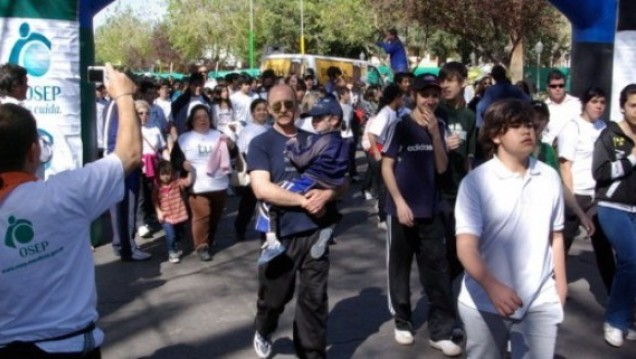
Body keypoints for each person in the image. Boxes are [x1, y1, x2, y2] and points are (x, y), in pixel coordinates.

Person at [0, 64, 140, 358]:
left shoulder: (64, 193)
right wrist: (124, 96)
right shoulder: (65, 194)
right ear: (34, 151)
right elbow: (129, 155)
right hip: (70, 345)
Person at [455, 99, 567, 359]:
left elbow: (557, 236)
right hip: (484, 301)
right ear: (495, 135)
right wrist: (492, 286)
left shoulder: (549, 177)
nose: (527, 131)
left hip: (541, 299)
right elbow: (466, 247)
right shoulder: (476, 183)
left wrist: (560, 288)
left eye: (529, 124)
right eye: (516, 126)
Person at [248, 84, 345, 358]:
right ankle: (264, 328)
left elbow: (342, 181)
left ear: (297, 105)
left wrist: (326, 195)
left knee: (314, 301)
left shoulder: (315, 138)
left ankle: (310, 353)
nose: (283, 111)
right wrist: (303, 201)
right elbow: (261, 189)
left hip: (316, 231)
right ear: (268, 109)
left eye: (288, 105)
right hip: (279, 234)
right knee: (275, 297)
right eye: (276, 106)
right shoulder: (261, 143)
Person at [381, 74, 462, 356]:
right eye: (425, 94)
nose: (430, 100)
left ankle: (440, 331)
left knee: (437, 271)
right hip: (401, 211)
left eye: (434, 95)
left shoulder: (438, 125)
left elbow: (441, 168)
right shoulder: (399, 126)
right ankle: (402, 321)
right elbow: (386, 167)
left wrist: (436, 136)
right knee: (400, 269)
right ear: (413, 95)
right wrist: (399, 202)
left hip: (431, 210)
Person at [255, 95, 349, 264]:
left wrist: (291, 146)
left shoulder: (321, 140)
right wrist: (330, 191)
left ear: (334, 119)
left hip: (310, 180)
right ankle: (330, 225)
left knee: (266, 203)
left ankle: (272, 242)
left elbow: (301, 159)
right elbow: (344, 175)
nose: (314, 122)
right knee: (321, 205)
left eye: (319, 118)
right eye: (313, 118)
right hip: (329, 182)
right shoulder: (343, 142)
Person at [558, 86, 615, 292]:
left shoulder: (605, 128)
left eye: (602, 102)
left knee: (603, 247)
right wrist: (572, 201)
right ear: (585, 103)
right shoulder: (572, 127)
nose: (599, 106)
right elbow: (565, 167)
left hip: (597, 196)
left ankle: (617, 296)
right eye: (594, 102)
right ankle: (555, 287)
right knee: (561, 244)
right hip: (576, 195)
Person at [592, 84, 636, 347]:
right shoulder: (610, 135)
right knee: (631, 260)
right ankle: (615, 321)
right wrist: (631, 159)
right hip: (612, 206)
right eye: (633, 105)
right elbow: (599, 172)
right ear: (623, 106)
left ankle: (625, 318)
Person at [172, 104, 231, 262]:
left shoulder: (219, 135)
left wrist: (232, 146)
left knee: (215, 216)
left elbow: (232, 153)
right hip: (198, 186)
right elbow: (175, 159)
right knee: (201, 216)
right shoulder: (184, 138)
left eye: (205, 117)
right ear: (192, 121)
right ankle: (201, 246)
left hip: (219, 184)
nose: (202, 120)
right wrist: (183, 164)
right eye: (198, 117)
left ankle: (209, 238)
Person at [437, 62, 477, 281]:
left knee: (458, 245)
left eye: (450, 80)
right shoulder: (436, 111)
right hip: (438, 188)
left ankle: (453, 289)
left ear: (463, 83)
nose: (445, 85)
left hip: (460, 191)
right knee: (437, 247)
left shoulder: (470, 116)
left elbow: (471, 153)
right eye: (442, 80)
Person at [366, 84, 403, 229]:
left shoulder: (394, 112)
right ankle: (382, 218)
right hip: (380, 152)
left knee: (387, 186)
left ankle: (383, 212)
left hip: (387, 152)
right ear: (396, 98)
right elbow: (371, 133)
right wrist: (376, 153)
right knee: (384, 186)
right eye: (401, 97)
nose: (403, 100)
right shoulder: (385, 113)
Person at [234, 98, 270, 241]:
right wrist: (246, 170)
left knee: (266, 204)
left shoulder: (270, 128)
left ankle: (265, 232)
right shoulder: (247, 131)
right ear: (253, 113)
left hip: (269, 170)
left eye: (264, 109)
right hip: (253, 171)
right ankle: (240, 229)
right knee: (248, 205)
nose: (262, 112)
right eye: (258, 110)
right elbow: (241, 152)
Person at [153, 160, 190, 264]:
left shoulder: (176, 182)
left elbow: (187, 182)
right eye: (162, 174)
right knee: (171, 235)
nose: (165, 177)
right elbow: (154, 199)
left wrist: (191, 170)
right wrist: (159, 212)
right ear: (158, 174)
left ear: (172, 173)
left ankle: (176, 244)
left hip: (179, 214)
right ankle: (172, 252)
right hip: (166, 216)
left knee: (180, 233)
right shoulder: (157, 186)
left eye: (168, 174)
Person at [475, 65, 530, 129]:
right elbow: (528, 101)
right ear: (504, 74)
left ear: (493, 76)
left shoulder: (491, 91)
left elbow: (481, 108)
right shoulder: (515, 89)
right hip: (514, 124)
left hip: (497, 125)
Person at [542, 69, 582, 146]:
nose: (558, 89)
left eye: (561, 86)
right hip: (551, 152)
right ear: (548, 88)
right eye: (553, 86)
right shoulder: (543, 107)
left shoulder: (577, 104)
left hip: (574, 150)